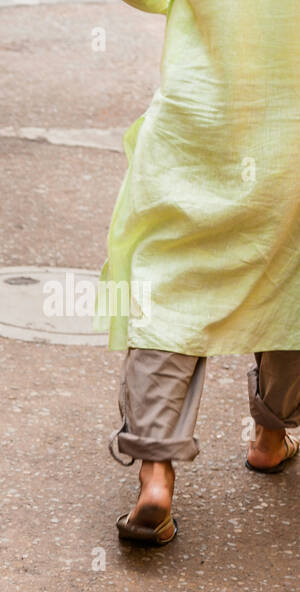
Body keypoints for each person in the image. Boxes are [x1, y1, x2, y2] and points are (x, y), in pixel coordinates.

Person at [101, 0, 300, 546]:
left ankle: (156, 476)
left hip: (196, 135)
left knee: (168, 295)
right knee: (288, 286)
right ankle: (270, 435)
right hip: (290, 141)